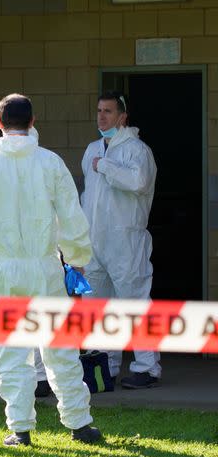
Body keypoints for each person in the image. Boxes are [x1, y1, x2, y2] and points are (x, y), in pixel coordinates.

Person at [0, 94, 102, 446]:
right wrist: (77, 256)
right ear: (33, 121)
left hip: (2, 268)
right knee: (60, 346)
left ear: (0, 122)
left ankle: (20, 428)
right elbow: (71, 213)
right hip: (45, 266)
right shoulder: (50, 163)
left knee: (9, 349)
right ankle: (79, 423)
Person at [81, 92, 159, 389]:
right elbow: (89, 196)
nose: (102, 117)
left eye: (108, 111)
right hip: (95, 240)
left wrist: (106, 166)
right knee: (96, 304)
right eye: (99, 110)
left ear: (123, 117)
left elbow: (138, 182)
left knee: (134, 302)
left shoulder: (138, 151)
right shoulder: (91, 149)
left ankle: (147, 367)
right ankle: (106, 365)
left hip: (126, 239)